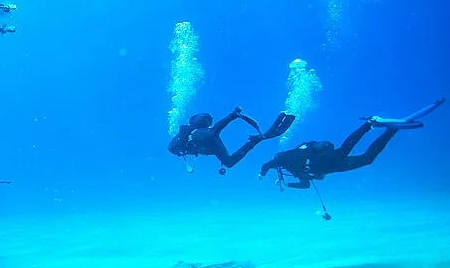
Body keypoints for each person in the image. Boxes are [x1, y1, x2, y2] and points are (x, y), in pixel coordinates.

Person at [259, 98, 445, 189]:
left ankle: (368, 124)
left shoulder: (284, 159)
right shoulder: (292, 169)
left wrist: (264, 174)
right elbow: (305, 185)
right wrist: (283, 183)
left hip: (328, 161)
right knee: (366, 159)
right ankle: (389, 130)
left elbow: (268, 164)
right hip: (333, 166)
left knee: (347, 149)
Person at [168, 107, 295, 174]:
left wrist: (185, 151)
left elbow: (171, 148)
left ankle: (253, 141)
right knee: (226, 158)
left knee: (228, 161)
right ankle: (252, 139)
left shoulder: (185, 134)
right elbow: (214, 130)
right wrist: (233, 115)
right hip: (207, 143)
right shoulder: (203, 132)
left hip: (199, 142)